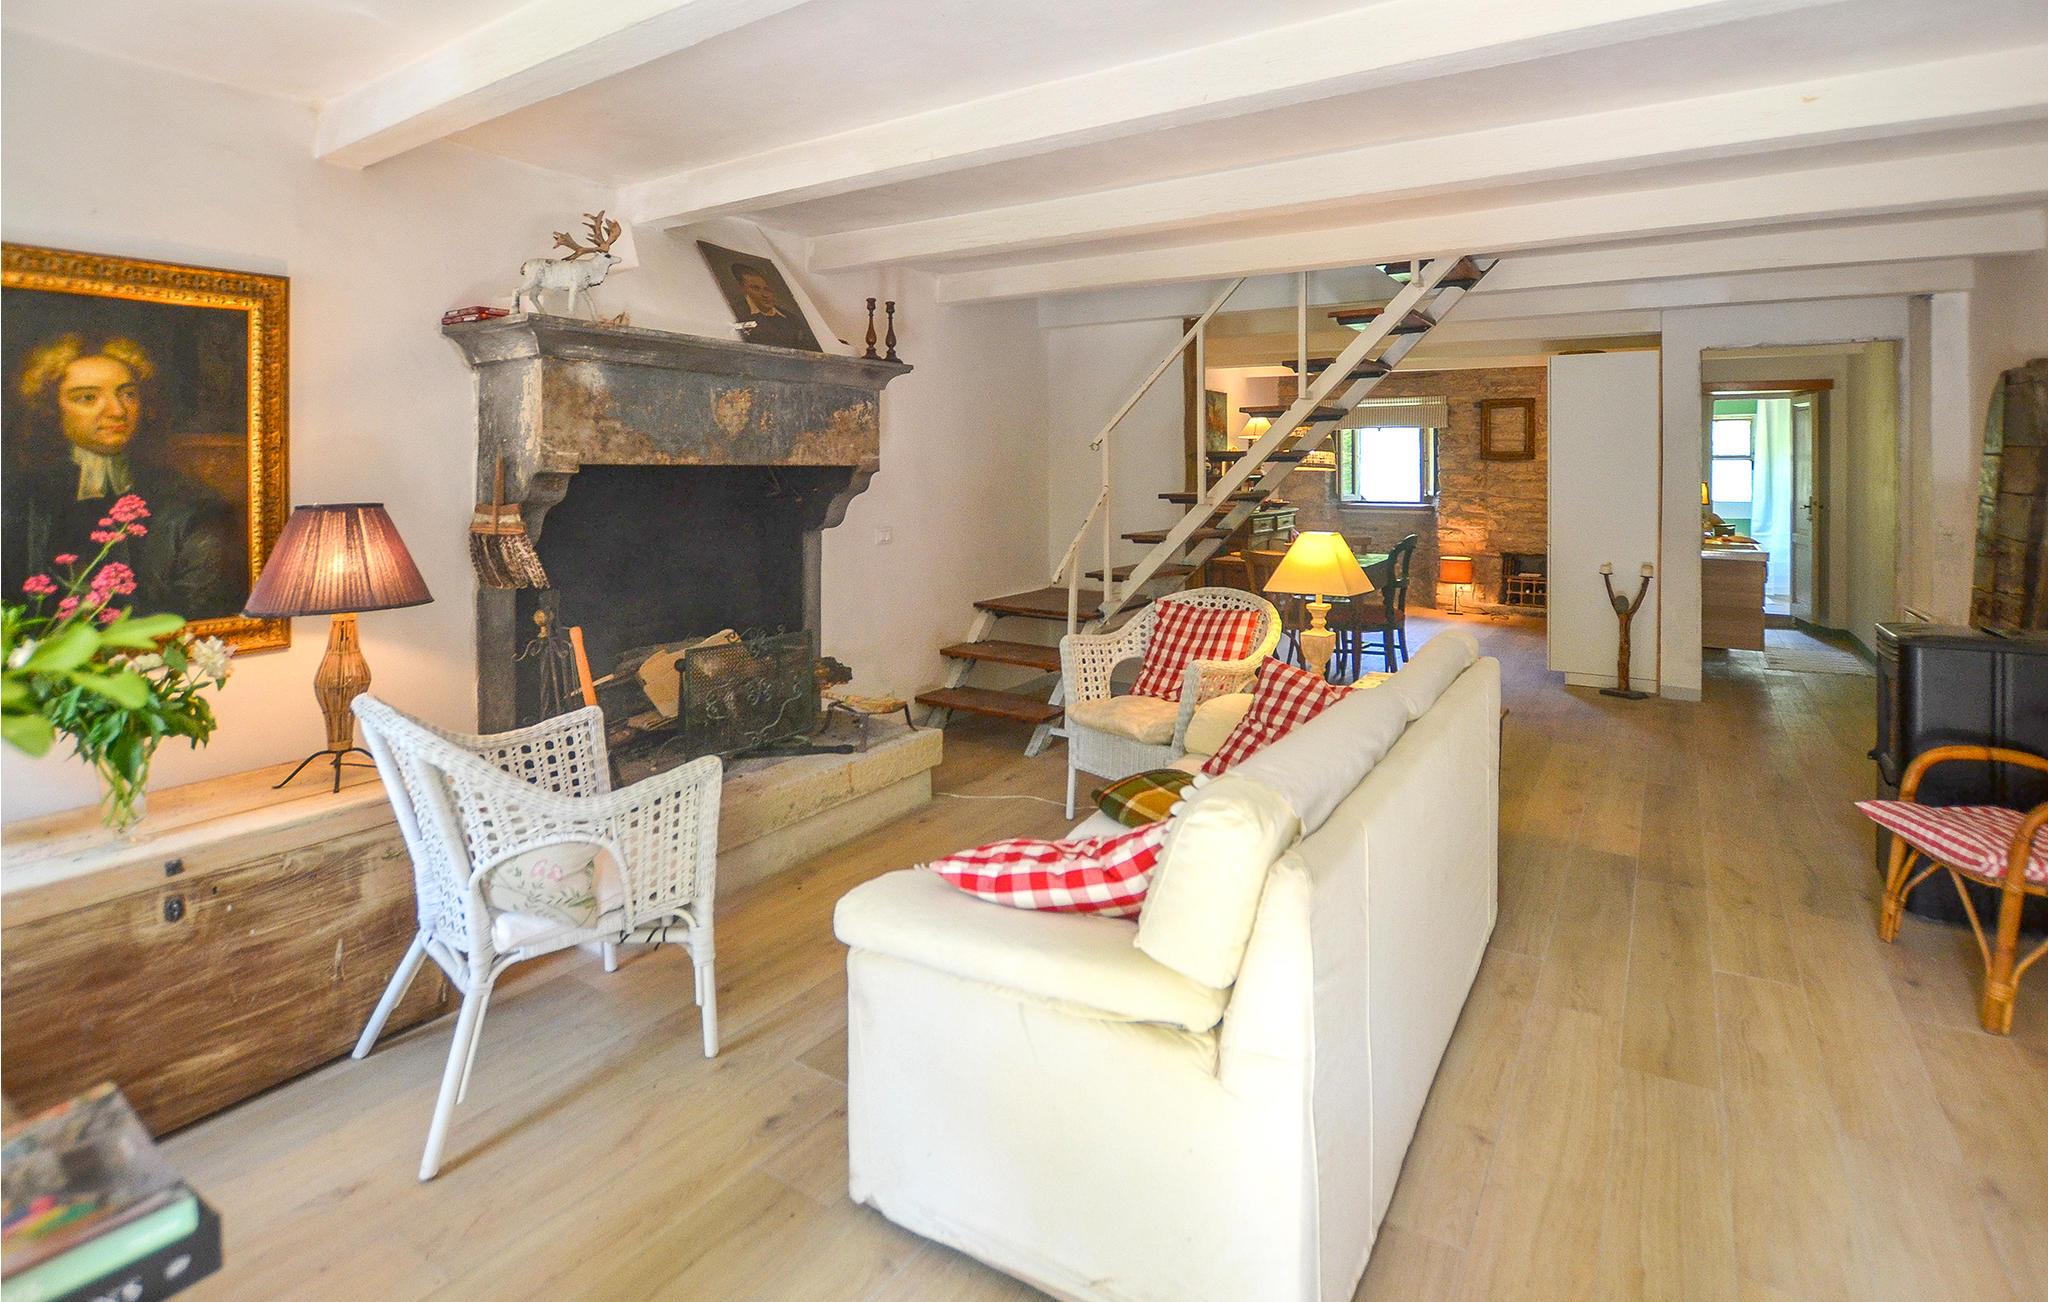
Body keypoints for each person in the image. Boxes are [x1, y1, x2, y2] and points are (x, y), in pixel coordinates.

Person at [3, 332, 244, 620]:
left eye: (128, 394)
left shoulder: (189, 501)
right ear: (51, 408)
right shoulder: (19, 500)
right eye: (88, 398)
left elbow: (202, 609)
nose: (118, 411)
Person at [731, 262, 817, 350]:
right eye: (755, 288)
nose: (765, 295)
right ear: (743, 289)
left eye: (766, 289)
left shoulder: (793, 319)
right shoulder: (735, 315)